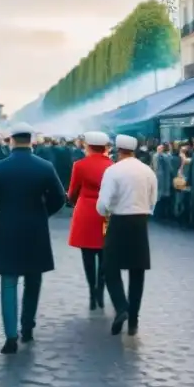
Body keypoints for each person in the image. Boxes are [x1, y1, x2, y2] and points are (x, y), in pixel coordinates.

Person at [0, 123, 66, 355]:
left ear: (11, 140)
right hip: (36, 230)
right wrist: (43, 213)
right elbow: (60, 197)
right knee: (33, 280)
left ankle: (10, 336)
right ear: (31, 140)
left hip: (8, 230)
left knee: (8, 283)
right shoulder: (45, 166)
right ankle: (27, 326)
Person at [96, 134, 158, 337]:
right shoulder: (147, 171)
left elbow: (103, 203)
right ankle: (133, 319)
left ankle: (121, 306)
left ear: (117, 150)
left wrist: (105, 212)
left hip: (119, 220)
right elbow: (153, 199)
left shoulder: (112, 171)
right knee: (137, 271)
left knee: (109, 267)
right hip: (141, 222)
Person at [66, 131, 112, 310]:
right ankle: (101, 290)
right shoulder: (111, 165)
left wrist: (72, 200)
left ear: (89, 146)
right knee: (103, 254)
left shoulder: (80, 165)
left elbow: (72, 192)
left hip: (86, 211)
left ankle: (92, 292)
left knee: (87, 255)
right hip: (105, 213)